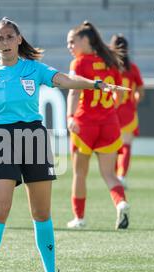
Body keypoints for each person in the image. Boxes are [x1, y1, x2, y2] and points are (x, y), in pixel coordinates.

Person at [0, 17, 129, 272]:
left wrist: (97, 85)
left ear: (18, 39)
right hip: (2, 140)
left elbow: (65, 80)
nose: (4, 42)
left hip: (35, 138)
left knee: (41, 213)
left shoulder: (34, 69)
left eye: (8, 36)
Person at [66, 21, 130, 230]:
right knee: (110, 174)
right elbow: (119, 92)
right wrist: (111, 108)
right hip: (110, 123)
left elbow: (74, 91)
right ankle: (121, 203)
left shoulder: (79, 63)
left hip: (85, 125)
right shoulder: (110, 60)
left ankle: (79, 218)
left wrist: (70, 117)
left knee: (79, 174)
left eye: (72, 42)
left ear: (85, 40)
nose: (70, 47)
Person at [110, 34, 145, 189]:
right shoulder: (133, 68)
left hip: (111, 112)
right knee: (126, 147)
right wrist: (134, 101)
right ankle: (121, 176)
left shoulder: (109, 67)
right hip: (128, 114)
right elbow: (141, 91)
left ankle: (113, 176)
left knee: (113, 147)